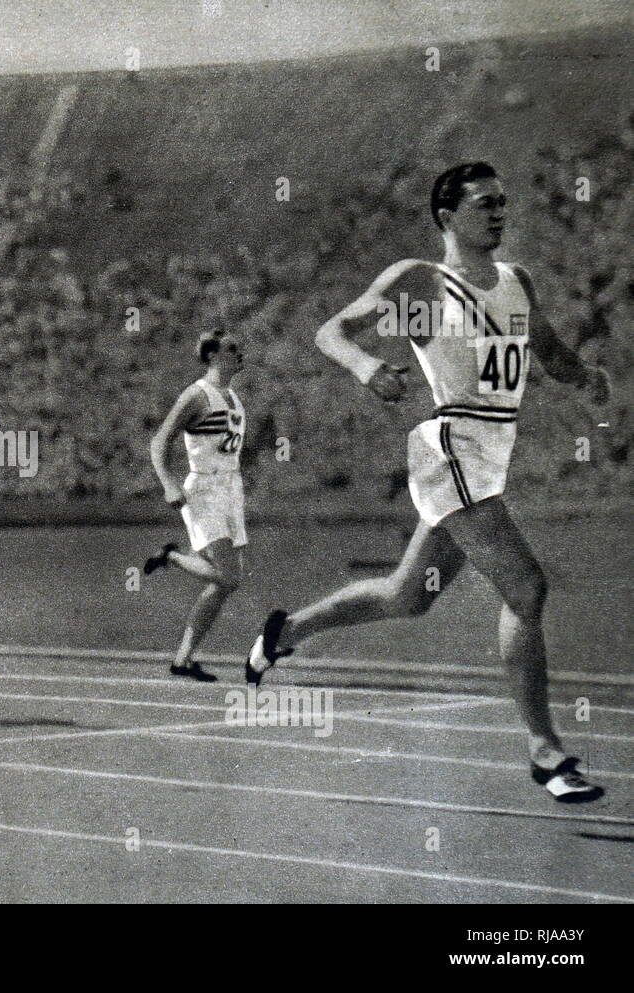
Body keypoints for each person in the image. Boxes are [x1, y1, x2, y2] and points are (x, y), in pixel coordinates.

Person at [246, 163, 610, 802]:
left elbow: (548, 351)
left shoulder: (515, 283)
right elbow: (332, 331)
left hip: (488, 459)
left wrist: (586, 377)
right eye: (482, 205)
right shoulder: (422, 282)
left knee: (407, 596)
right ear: (447, 217)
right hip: (450, 450)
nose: (498, 213)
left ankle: (286, 632)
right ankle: (546, 752)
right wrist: (366, 369)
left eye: (502, 202)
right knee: (526, 587)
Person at [145, 332, 246, 682]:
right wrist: (169, 484)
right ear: (213, 355)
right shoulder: (196, 395)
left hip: (230, 490)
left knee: (223, 583)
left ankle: (183, 660)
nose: (239, 352)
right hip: (203, 490)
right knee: (231, 577)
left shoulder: (231, 396)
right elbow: (159, 443)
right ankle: (172, 557)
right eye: (232, 348)